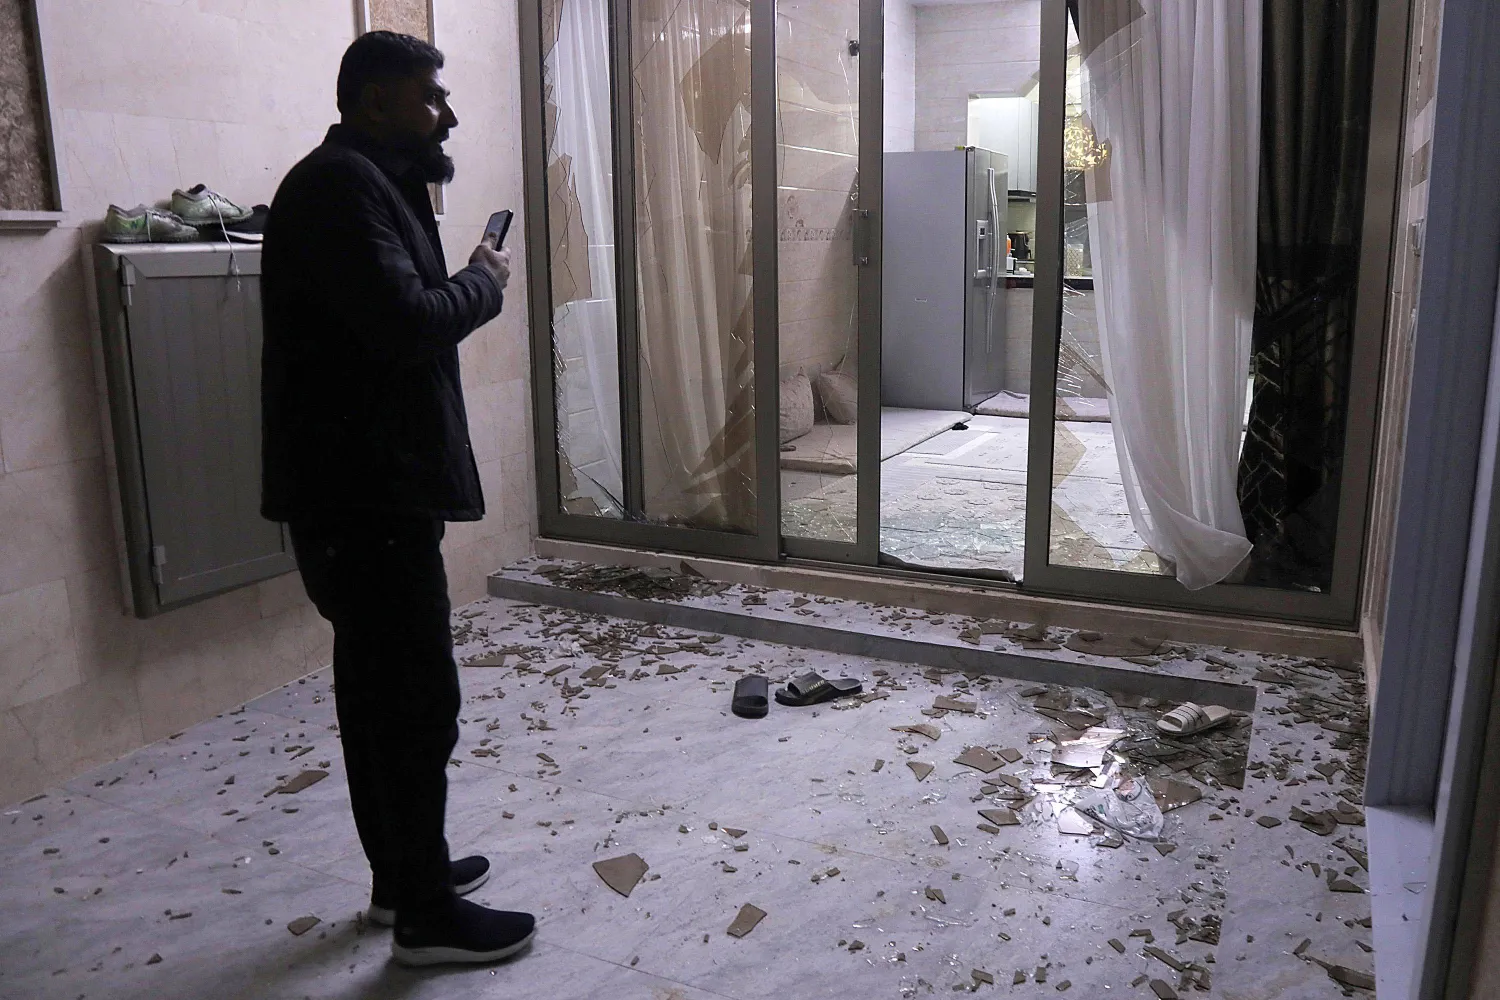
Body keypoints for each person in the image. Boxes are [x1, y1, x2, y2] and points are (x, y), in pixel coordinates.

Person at [259, 30, 534, 967]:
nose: (446, 113)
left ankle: (401, 878)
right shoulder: (339, 186)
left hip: (364, 490)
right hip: (361, 496)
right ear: (375, 102)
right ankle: (425, 919)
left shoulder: (370, 182)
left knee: (381, 694)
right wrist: (482, 282)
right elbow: (409, 324)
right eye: (429, 97)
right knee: (414, 699)